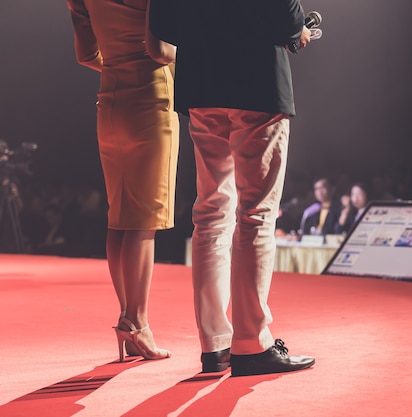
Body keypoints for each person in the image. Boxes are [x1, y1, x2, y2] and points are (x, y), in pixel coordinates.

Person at [149, 0, 315, 376]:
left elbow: (164, 25)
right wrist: (298, 31)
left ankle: (214, 345)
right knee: (255, 214)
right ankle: (251, 343)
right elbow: (285, 14)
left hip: (202, 83)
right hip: (257, 82)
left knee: (210, 213)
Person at [67, 0, 179, 361]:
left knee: (120, 217)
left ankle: (128, 319)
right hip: (150, 99)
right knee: (144, 220)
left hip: (110, 100)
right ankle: (138, 323)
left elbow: (86, 55)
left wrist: (118, 64)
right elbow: (160, 50)